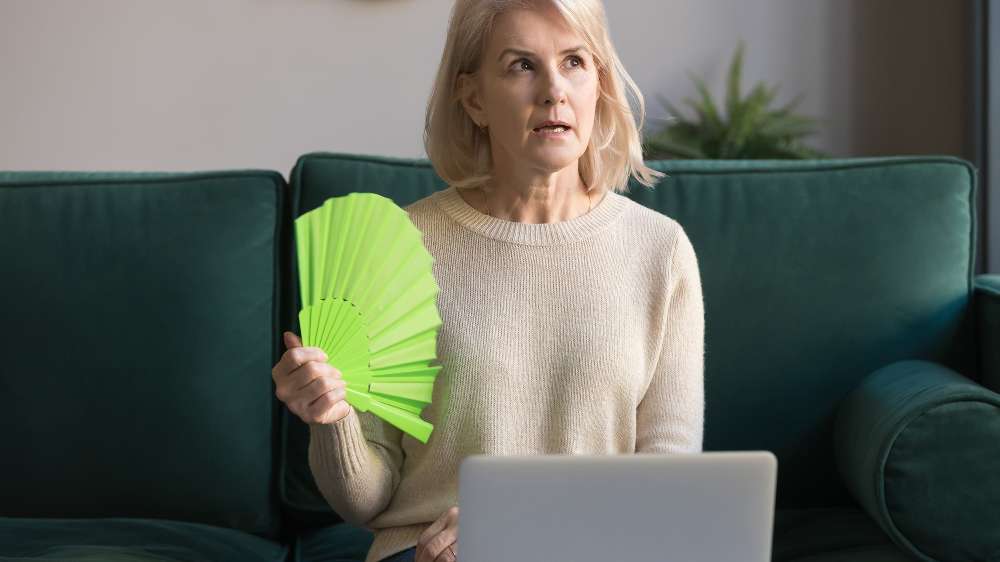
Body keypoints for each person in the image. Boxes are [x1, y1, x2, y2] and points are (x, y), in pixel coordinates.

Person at [270, 0, 705, 561]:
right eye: (522, 65)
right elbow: (367, 502)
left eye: (574, 62)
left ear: (598, 83)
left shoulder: (660, 251)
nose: (554, 91)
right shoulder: (395, 247)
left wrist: (526, 523)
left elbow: (668, 475)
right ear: (474, 98)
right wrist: (333, 421)